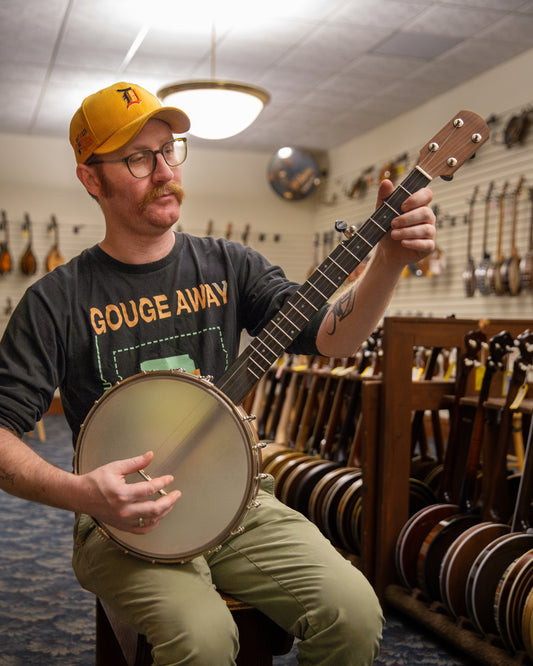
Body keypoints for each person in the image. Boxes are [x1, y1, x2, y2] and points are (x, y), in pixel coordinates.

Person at [0, 82, 436, 665]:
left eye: (168, 150)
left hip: (238, 500)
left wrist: (388, 261)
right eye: (137, 159)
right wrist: (81, 493)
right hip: (120, 521)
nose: (164, 171)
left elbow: (334, 338)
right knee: (202, 640)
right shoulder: (56, 300)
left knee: (353, 614)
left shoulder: (231, 265)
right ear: (91, 179)